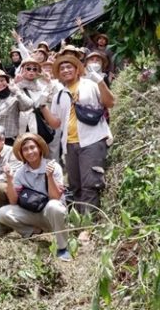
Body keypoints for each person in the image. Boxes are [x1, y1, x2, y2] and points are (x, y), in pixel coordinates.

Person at [39, 54, 115, 241]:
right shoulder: (58, 95)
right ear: (59, 73)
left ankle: (87, 228)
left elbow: (110, 102)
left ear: (77, 69)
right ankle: (80, 220)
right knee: (76, 185)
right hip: (70, 143)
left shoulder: (90, 85)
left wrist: (101, 82)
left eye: (69, 67)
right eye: (62, 68)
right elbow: (56, 123)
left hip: (93, 140)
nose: (66, 70)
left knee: (91, 183)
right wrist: (42, 107)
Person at [0, 134, 71, 261]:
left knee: (54, 206)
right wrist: (9, 179)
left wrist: (49, 176)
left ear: (40, 149)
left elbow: (55, 197)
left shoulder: (53, 167)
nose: (29, 152)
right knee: (3, 213)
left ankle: (62, 247)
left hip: (52, 215)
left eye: (33, 147)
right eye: (25, 149)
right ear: (21, 154)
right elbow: (13, 201)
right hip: (32, 213)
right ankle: (32, 231)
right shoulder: (20, 173)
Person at [0, 69, 35, 146]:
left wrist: (16, 91)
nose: (0, 84)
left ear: (7, 81)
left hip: (9, 139)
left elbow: (29, 105)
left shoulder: (14, 95)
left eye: (2, 80)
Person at [15, 58, 52, 140]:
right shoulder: (15, 84)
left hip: (38, 122)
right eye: (28, 68)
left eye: (34, 69)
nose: (31, 71)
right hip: (20, 123)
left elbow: (49, 100)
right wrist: (15, 84)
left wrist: (49, 82)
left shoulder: (41, 86)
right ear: (22, 70)